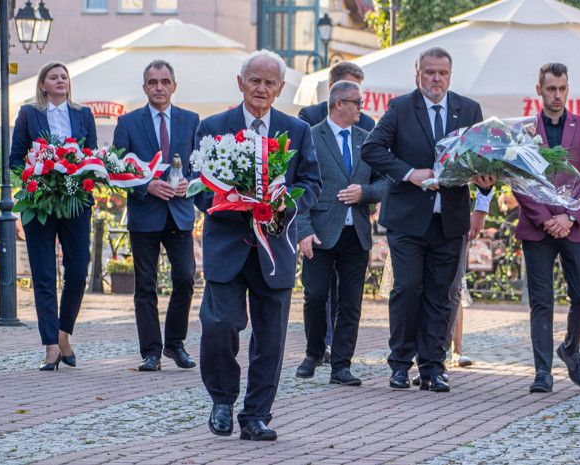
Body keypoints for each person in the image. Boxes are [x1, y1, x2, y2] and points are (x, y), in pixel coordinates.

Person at [196, 50, 321, 441]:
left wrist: (286, 203)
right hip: (226, 245)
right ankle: (221, 399)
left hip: (275, 250)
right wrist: (232, 200)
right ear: (241, 83)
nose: (261, 88)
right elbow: (199, 188)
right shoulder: (213, 127)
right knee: (219, 326)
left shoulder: (297, 131)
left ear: (281, 88)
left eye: (270, 83)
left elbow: (312, 184)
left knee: (270, 340)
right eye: (255, 80)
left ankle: (255, 416)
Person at [363, 46, 494, 393]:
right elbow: (372, 149)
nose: (436, 79)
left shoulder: (469, 109)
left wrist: (485, 186)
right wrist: (408, 173)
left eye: (443, 73)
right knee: (407, 289)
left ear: (450, 75)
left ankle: (434, 367)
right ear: (417, 74)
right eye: (430, 72)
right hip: (407, 219)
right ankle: (400, 365)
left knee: (442, 294)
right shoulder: (401, 107)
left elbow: (484, 160)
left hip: (451, 220)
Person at [516, 63, 580, 393]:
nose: (557, 94)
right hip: (537, 226)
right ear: (538, 90)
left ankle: (569, 348)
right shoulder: (524, 131)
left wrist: (569, 216)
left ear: (568, 89)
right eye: (551, 88)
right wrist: (544, 219)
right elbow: (519, 181)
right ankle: (543, 372)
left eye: (562, 88)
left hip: (575, 225)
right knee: (542, 302)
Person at [295, 80, 386, 385]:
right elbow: (298, 187)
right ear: (339, 103)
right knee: (316, 295)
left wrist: (366, 193)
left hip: (356, 232)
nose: (362, 107)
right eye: (357, 102)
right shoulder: (310, 136)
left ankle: (342, 365)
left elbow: (386, 182)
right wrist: (302, 231)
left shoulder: (367, 139)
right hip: (320, 231)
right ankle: (314, 351)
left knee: (350, 302)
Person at [112, 60, 200, 372]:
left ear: (174, 86)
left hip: (179, 213)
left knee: (186, 278)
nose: (159, 87)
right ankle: (151, 352)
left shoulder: (192, 120)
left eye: (164, 82)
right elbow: (117, 169)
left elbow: (200, 165)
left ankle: (175, 344)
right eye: (152, 82)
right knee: (145, 285)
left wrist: (192, 184)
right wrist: (145, 186)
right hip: (145, 214)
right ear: (145, 87)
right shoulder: (128, 122)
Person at [10, 62, 97, 371]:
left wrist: (79, 172)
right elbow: (15, 160)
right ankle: (50, 346)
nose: (62, 80)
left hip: (76, 202)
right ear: (42, 85)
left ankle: (63, 333)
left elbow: (92, 156)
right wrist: (40, 173)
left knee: (77, 273)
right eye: (54, 77)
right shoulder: (28, 114)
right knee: (44, 275)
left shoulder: (83, 114)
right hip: (39, 204)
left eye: (65, 77)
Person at [297, 61, 376, 132]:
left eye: (357, 88)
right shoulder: (310, 116)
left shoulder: (367, 124)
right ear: (332, 87)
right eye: (349, 87)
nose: (356, 93)